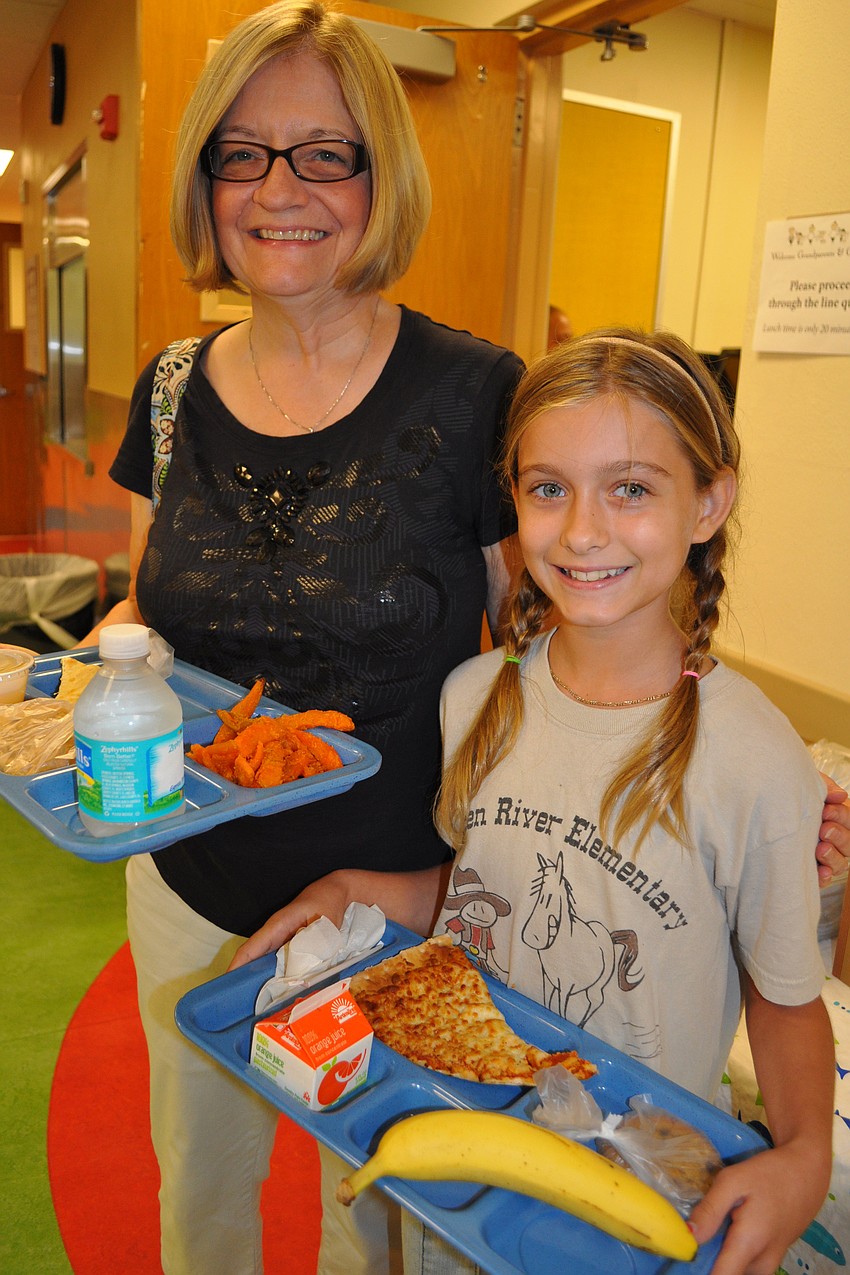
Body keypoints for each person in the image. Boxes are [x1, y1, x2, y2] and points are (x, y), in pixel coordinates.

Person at [233, 328, 836, 1275]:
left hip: (639, 1165)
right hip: (468, 1129)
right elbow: (482, 894)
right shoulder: (476, 694)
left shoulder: (754, 760)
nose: (584, 530)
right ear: (511, 498)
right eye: (548, 487)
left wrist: (803, 1152)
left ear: (709, 502)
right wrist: (356, 885)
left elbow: (787, 997)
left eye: (631, 488)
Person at [85, 4, 524, 1273]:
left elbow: (542, 664)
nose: (281, 190)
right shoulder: (171, 391)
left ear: (380, 176)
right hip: (189, 887)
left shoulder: (476, 395)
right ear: (206, 179)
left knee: (379, 1224)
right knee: (202, 1203)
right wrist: (92, 680)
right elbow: (140, 611)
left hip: (396, 910)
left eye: (324, 152)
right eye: (244, 152)